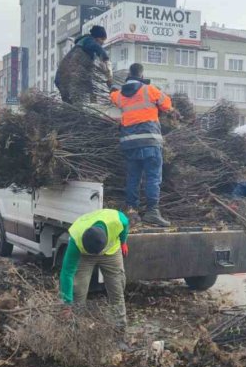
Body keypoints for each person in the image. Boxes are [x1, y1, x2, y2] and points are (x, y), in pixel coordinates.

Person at [110, 63, 175, 227]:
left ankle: (132, 210)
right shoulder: (149, 89)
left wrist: (110, 84)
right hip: (150, 141)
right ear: (141, 74)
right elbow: (167, 105)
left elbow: (112, 95)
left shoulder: (120, 95)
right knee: (153, 177)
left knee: (133, 177)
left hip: (129, 143)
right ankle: (152, 212)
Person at [59, 209, 130, 330]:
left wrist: (123, 242)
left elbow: (125, 224)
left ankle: (120, 328)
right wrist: (66, 303)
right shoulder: (76, 239)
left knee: (117, 288)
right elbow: (67, 272)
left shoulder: (117, 220)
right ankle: (76, 328)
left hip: (111, 251)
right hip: (85, 257)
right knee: (78, 290)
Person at [54, 25, 111, 102]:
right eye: (102, 39)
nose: (103, 42)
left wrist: (92, 92)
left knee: (70, 105)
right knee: (77, 103)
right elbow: (96, 47)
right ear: (96, 38)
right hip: (69, 79)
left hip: (62, 79)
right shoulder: (88, 41)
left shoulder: (87, 51)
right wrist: (105, 59)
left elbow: (87, 74)